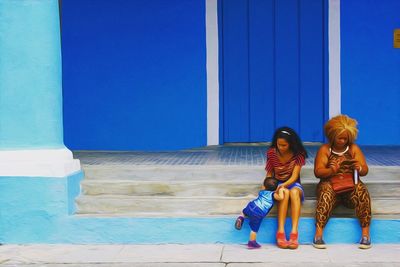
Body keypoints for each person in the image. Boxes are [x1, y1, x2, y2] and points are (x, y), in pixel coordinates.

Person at [313, 114, 371, 249]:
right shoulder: (325, 149)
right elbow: (318, 172)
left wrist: (359, 167)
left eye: (345, 138)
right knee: (326, 192)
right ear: (332, 135)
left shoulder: (353, 149)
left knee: (362, 191)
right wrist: (331, 170)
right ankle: (318, 234)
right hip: (331, 187)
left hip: (349, 188)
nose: (342, 141)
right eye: (340, 137)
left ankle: (365, 235)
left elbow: (365, 170)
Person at [265, 127, 308, 249]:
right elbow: (269, 174)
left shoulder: (299, 154)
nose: (281, 147)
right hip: (277, 183)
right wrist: (266, 187)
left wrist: (284, 184)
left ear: (291, 144)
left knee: (294, 193)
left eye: (284, 145)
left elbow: (294, 177)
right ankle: (281, 232)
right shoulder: (271, 153)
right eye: (279, 144)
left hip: (293, 183)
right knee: (283, 192)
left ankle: (294, 232)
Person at [234, 177, 287, 249]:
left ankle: (241, 218)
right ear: (275, 188)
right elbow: (280, 198)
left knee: (244, 211)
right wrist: (281, 190)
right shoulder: (273, 195)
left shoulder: (262, 191)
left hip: (252, 205)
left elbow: (267, 188)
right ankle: (252, 242)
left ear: (264, 186)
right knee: (254, 229)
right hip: (258, 212)